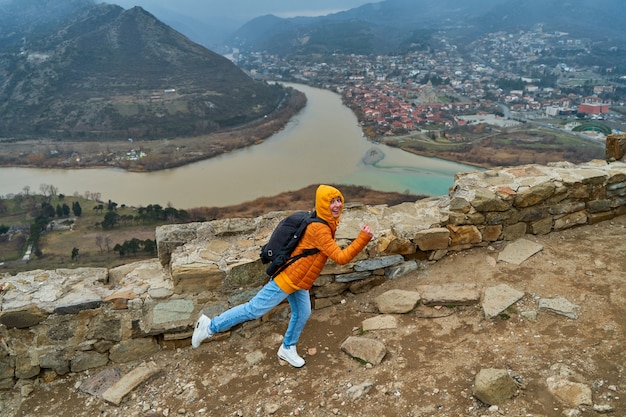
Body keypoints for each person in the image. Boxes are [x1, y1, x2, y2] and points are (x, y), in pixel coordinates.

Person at [191, 184, 374, 367]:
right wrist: (362, 239)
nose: (337, 205)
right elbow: (340, 258)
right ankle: (209, 327)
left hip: (299, 280)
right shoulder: (320, 229)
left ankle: (287, 348)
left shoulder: (324, 221)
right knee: (254, 309)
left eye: (338, 200)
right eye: (331, 202)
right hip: (288, 278)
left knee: (303, 312)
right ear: (322, 204)